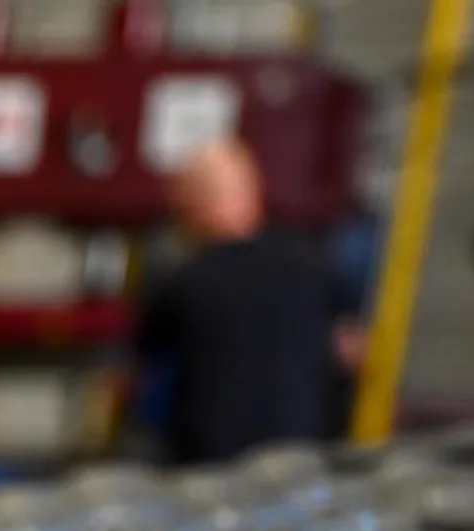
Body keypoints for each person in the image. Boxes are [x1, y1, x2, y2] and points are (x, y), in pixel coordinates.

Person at [133, 139, 351, 466]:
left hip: (211, 477)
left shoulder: (185, 285)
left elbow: (143, 375)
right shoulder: (315, 271)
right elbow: (350, 351)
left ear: (193, 204)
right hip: (303, 470)